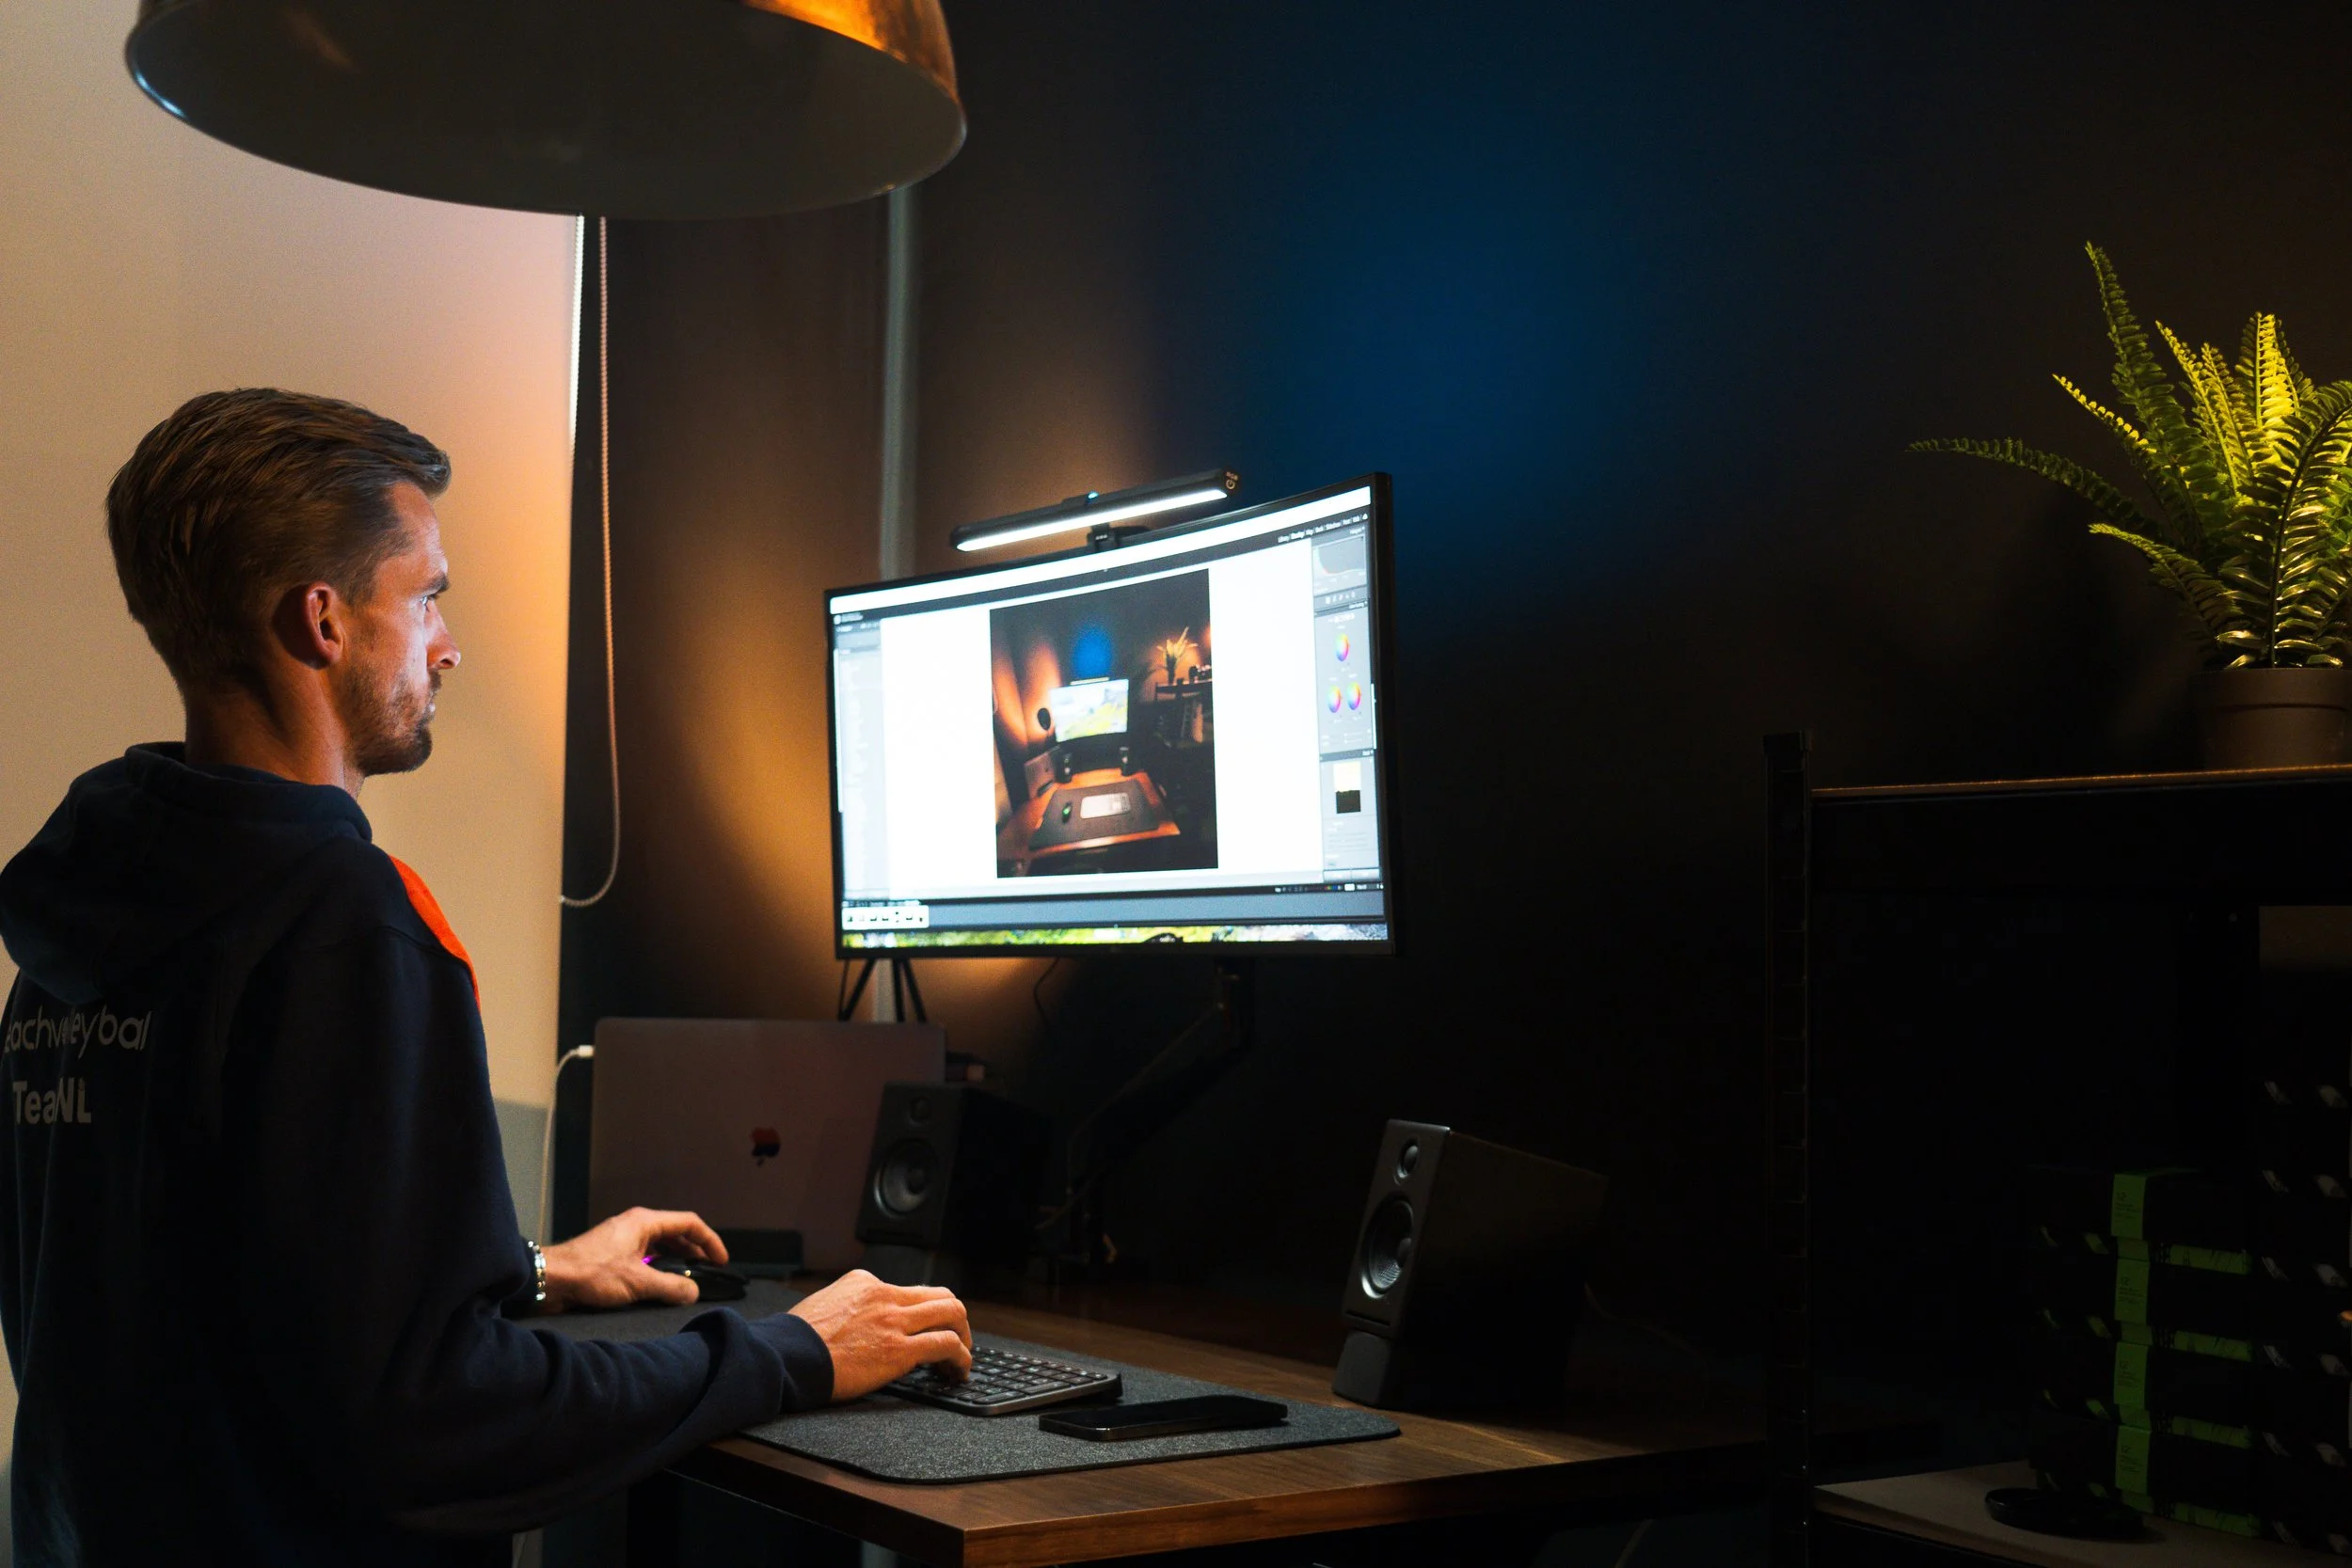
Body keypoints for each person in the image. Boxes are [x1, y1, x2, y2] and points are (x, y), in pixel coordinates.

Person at [0, 388, 973, 1564]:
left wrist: (528, 1271)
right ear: (323, 620)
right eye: (426, 596)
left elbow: (205, 1296)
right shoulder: (346, 923)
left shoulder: (84, 925)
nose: (448, 643)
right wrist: (793, 1350)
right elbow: (439, 1422)